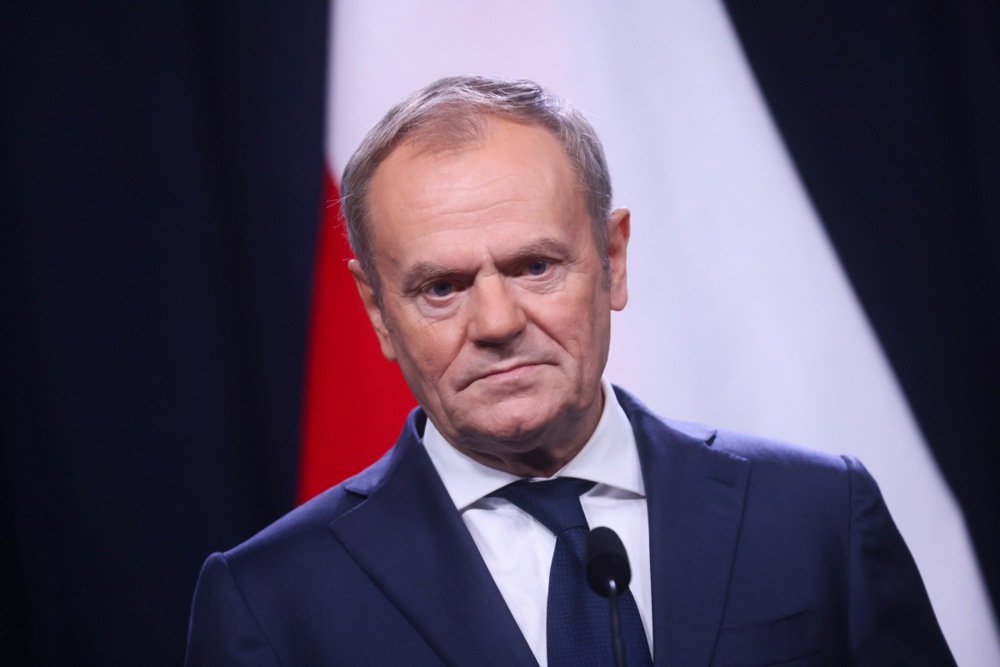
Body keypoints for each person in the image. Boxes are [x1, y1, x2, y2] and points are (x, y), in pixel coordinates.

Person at [185, 76, 954, 666]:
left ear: (613, 258)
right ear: (379, 311)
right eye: (441, 287)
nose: (496, 323)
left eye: (535, 266)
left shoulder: (817, 515)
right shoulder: (271, 602)